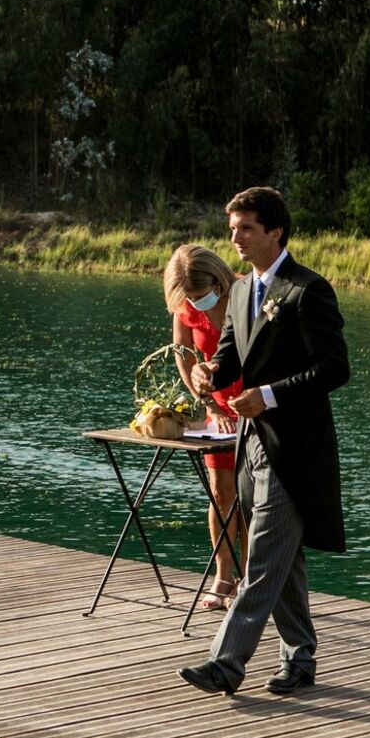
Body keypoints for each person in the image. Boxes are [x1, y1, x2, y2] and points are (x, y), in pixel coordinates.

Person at [178, 186, 349, 697]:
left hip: (295, 448)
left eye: (246, 228)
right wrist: (210, 372)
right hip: (250, 442)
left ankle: (227, 662)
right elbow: (231, 355)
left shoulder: (308, 290)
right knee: (284, 559)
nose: (236, 238)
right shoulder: (240, 290)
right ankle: (299, 656)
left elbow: (335, 370)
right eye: (232, 229)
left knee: (264, 555)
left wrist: (269, 396)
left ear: (275, 231)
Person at [163, 244, 246, 611]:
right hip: (217, 407)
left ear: (217, 278)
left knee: (252, 494)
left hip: (255, 402)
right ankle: (223, 575)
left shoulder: (246, 292)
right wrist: (208, 403)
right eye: (189, 297)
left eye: (201, 295)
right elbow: (184, 354)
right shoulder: (185, 304)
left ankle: (251, 579)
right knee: (220, 490)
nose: (196, 302)